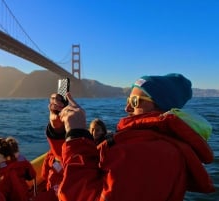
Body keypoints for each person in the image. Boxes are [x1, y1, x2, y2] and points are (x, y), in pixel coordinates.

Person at [47, 73, 215, 201]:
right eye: (128, 100)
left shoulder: (150, 152)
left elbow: (81, 195)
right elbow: (76, 165)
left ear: (160, 105)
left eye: (135, 101)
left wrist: (76, 135)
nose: (127, 107)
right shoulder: (142, 141)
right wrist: (60, 130)